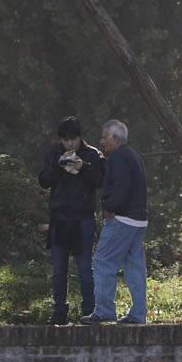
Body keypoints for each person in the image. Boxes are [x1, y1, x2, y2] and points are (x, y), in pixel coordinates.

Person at [38, 116, 105, 326]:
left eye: (72, 139)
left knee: (85, 267)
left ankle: (89, 310)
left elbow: (101, 180)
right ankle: (59, 311)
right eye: (65, 140)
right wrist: (58, 166)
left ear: (79, 137)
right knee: (59, 270)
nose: (69, 144)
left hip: (83, 218)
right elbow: (43, 181)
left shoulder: (92, 154)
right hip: (59, 218)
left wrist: (83, 166)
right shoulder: (54, 154)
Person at [81, 119, 148, 324]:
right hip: (139, 220)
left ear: (115, 138)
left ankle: (104, 311)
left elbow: (120, 187)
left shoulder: (118, 157)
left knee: (103, 261)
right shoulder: (134, 155)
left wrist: (109, 206)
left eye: (105, 137)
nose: (102, 141)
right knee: (134, 266)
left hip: (122, 219)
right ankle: (138, 314)